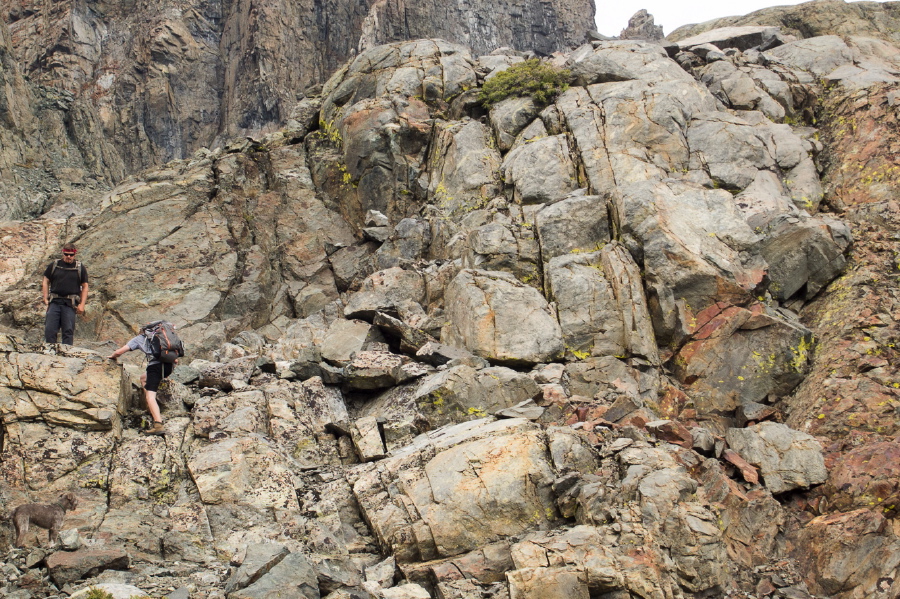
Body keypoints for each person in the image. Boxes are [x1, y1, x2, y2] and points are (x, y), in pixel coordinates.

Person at [107, 328, 174, 436]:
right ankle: (150, 406)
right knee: (143, 378)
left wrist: (112, 356)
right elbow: (175, 358)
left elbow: (120, 351)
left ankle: (158, 424)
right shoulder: (164, 338)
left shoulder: (139, 338)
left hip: (155, 367)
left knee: (150, 396)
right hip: (168, 366)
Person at [42, 243, 89, 345]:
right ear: (63, 253)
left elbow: (85, 286)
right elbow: (45, 280)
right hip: (54, 302)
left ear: (74, 254)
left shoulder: (80, 267)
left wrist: (82, 304)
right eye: (66, 254)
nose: (68, 256)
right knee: (50, 329)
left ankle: (66, 354)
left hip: (70, 304)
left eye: (71, 255)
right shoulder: (54, 265)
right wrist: (45, 297)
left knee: (68, 330)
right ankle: (50, 353)